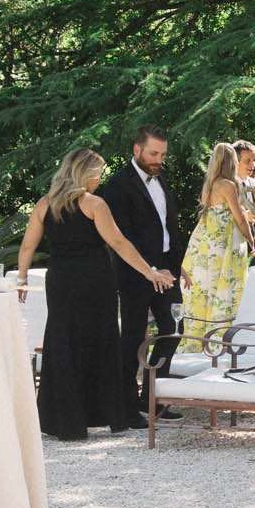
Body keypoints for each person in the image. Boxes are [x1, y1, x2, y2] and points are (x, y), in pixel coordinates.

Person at [18, 148, 173, 440]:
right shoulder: (94, 204)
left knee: (62, 340)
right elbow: (118, 242)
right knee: (100, 341)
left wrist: (22, 279)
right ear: (87, 174)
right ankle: (104, 413)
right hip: (94, 280)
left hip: (60, 280)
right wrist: (149, 271)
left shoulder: (44, 204)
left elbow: (27, 246)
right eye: (98, 174)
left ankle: (64, 421)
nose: (99, 180)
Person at [97, 126, 185, 427]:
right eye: (153, 153)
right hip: (135, 271)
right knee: (133, 337)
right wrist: (149, 270)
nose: (158, 159)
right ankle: (126, 406)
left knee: (174, 328)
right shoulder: (117, 186)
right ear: (137, 150)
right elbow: (122, 237)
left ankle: (153, 397)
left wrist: (175, 264)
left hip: (166, 268)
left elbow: (166, 226)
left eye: (162, 154)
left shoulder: (161, 179)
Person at [179, 143, 255, 343]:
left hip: (206, 245)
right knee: (224, 289)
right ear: (232, 162)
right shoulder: (228, 185)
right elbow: (239, 218)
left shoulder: (209, 185)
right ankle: (220, 339)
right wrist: (251, 240)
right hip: (223, 246)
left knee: (207, 290)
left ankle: (201, 338)